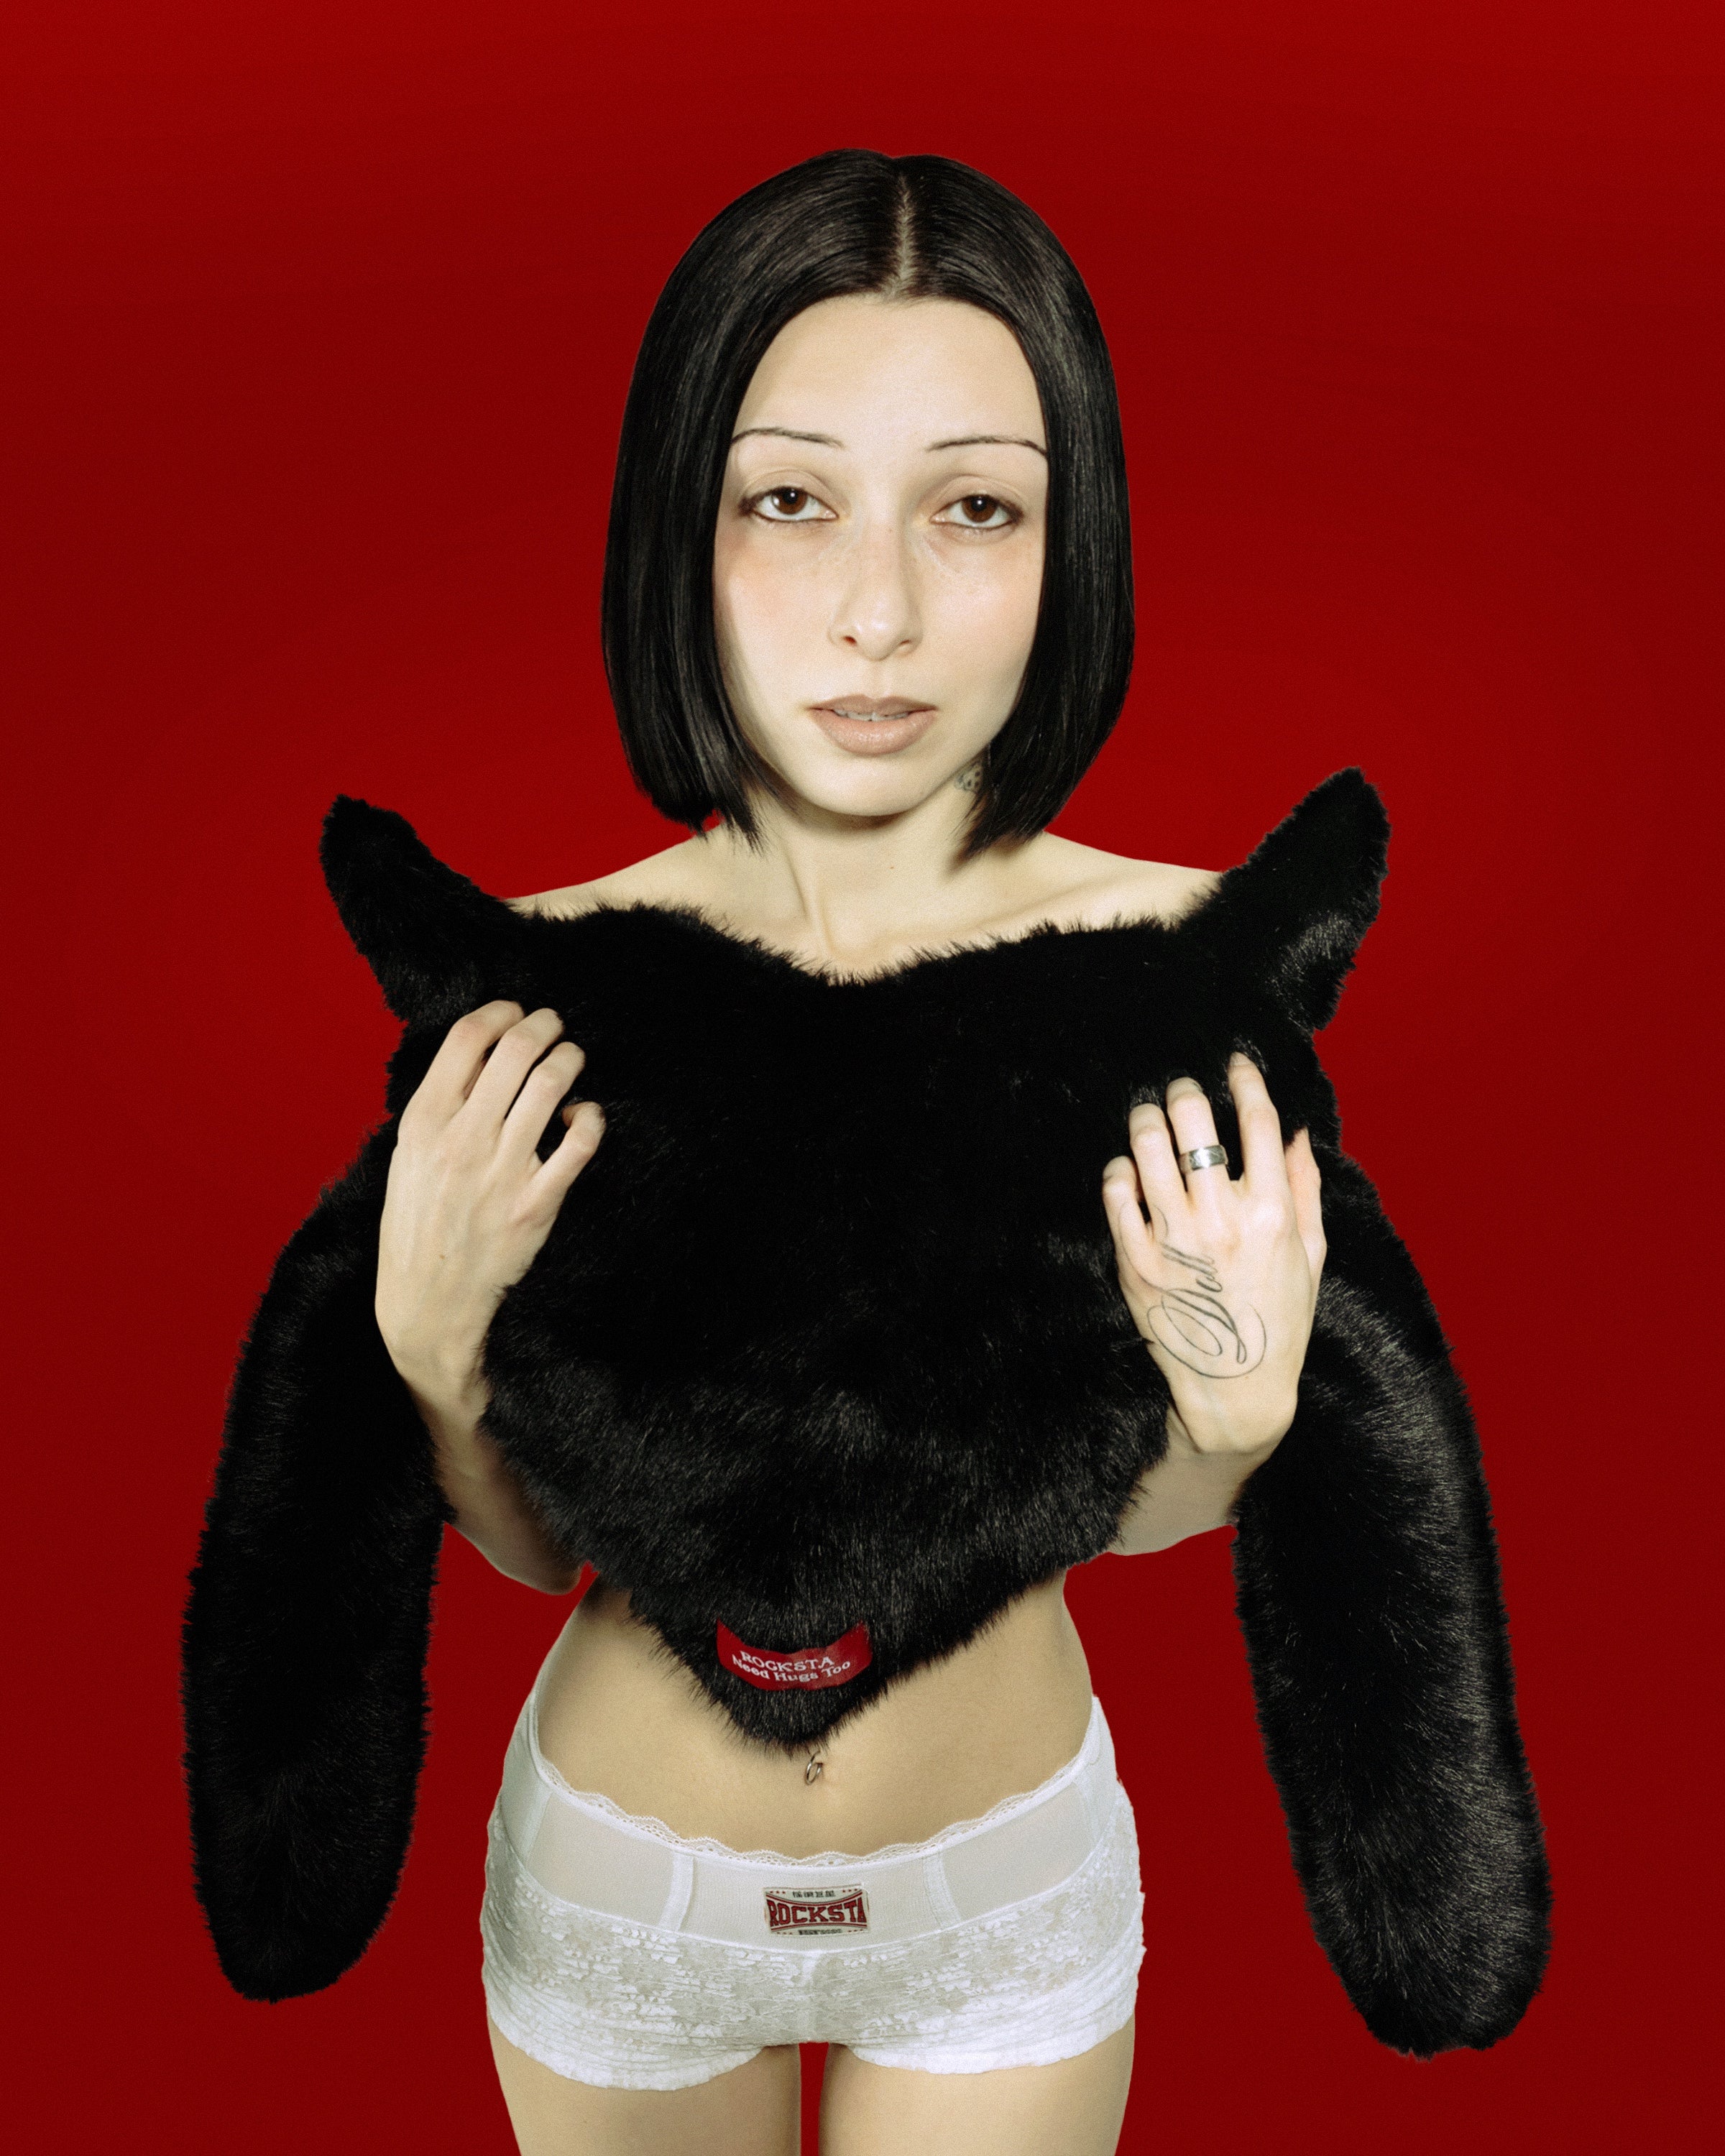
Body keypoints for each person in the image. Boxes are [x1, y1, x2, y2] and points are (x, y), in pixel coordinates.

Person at [183, 148, 1547, 2156]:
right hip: (625, 1902)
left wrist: (1242, 1421)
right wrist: (431, 1353)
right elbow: (545, 1545)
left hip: (999, 1900)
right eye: (790, 500)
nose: (880, 611)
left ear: (1072, 541)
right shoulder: (542, 987)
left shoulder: (1178, 978)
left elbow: (1118, 1516)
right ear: (682, 523)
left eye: (975, 506)